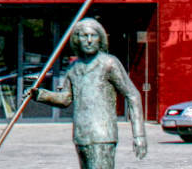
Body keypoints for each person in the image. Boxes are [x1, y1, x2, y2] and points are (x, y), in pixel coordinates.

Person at [33, 19, 148, 169]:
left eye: (93, 36)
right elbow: (65, 99)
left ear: (100, 38)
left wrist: (139, 135)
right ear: (76, 39)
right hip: (81, 135)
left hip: (102, 135)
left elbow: (132, 95)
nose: (88, 40)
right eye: (84, 36)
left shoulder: (109, 63)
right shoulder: (73, 67)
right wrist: (40, 94)